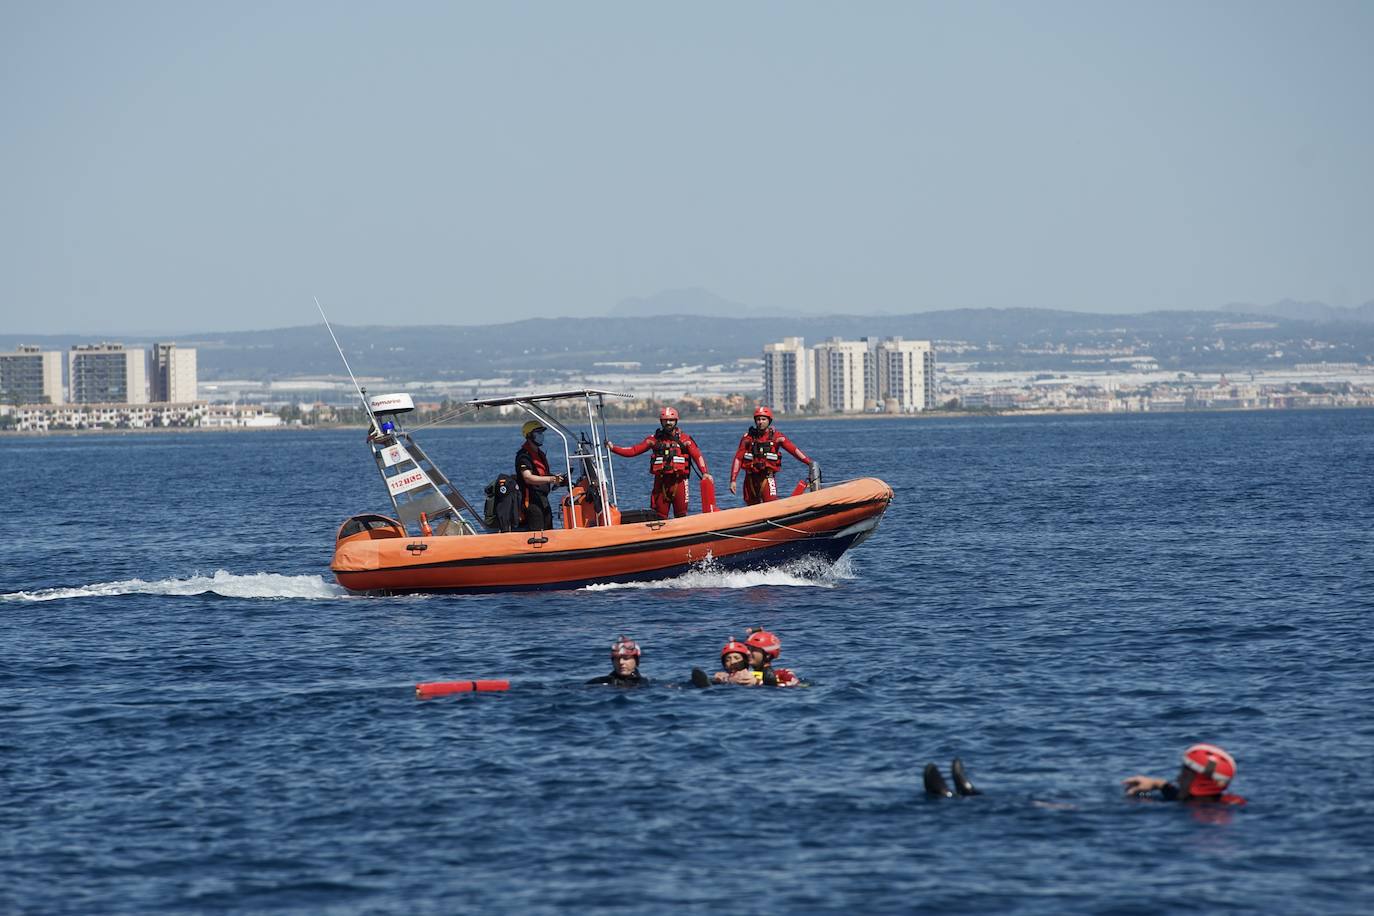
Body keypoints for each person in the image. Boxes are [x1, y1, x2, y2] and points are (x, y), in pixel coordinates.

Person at [607, 407, 711, 519]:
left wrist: (705, 472)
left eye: (671, 420)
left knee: (681, 515)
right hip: (661, 483)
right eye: (665, 420)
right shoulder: (654, 440)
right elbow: (633, 451)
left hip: (679, 482)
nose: (668, 423)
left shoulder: (686, 440)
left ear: (676, 421)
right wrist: (613, 448)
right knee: (659, 516)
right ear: (661, 422)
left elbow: (697, 456)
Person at [728, 406, 813, 505]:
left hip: (767, 477)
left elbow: (794, 451)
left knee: (771, 503)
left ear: (769, 421)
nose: (760, 422)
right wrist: (733, 480)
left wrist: (809, 463)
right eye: (758, 419)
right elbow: (738, 458)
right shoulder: (747, 438)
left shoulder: (777, 437)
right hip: (750, 479)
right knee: (750, 505)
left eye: (763, 419)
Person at [1122, 743, 1246, 804]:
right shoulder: (1232, 802)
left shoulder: (1187, 804)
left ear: (1201, 783)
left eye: (1185, 775)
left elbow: (1152, 799)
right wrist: (1156, 784)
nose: (1178, 779)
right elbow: (1158, 795)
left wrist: (1139, 795)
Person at [516, 420, 567, 531]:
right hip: (531, 501)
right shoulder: (524, 456)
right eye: (537, 433)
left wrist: (558, 479)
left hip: (543, 499)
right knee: (537, 532)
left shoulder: (539, 454)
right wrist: (551, 479)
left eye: (541, 433)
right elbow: (528, 477)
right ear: (529, 435)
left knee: (548, 528)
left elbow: (542, 474)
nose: (541, 436)